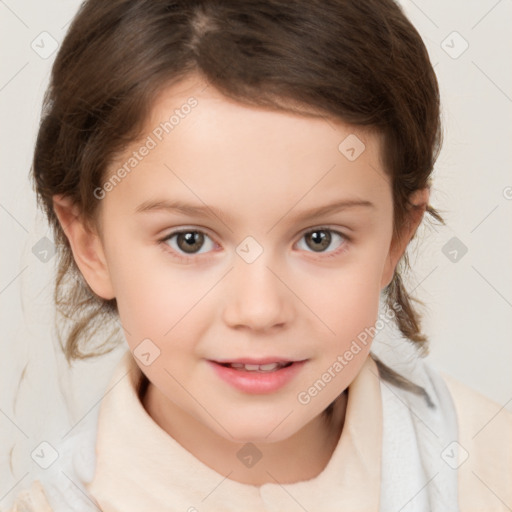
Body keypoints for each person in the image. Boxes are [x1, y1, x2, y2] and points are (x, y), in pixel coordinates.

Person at [4, 0, 511, 510]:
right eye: (190, 240)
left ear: (398, 236)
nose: (260, 309)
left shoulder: (489, 468)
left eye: (319, 238)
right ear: (90, 244)